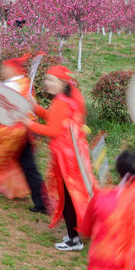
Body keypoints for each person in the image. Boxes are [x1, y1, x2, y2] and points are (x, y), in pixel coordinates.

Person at [23, 65, 96, 251]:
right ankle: (81, 232)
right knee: (76, 194)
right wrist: (36, 108)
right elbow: (56, 119)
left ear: (63, 83)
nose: (47, 83)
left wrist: (28, 124)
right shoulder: (68, 98)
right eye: (46, 79)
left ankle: (74, 239)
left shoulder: (61, 101)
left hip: (66, 157)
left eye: (51, 80)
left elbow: (52, 130)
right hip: (74, 154)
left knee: (68, 197)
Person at [0, 57, 47, 212]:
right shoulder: (21, 82)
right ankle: (42, 202)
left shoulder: (15, 84)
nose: (3, 71)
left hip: (14, 132)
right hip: (24, 131)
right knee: (29, 167)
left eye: (5, 68)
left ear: (13, 70)